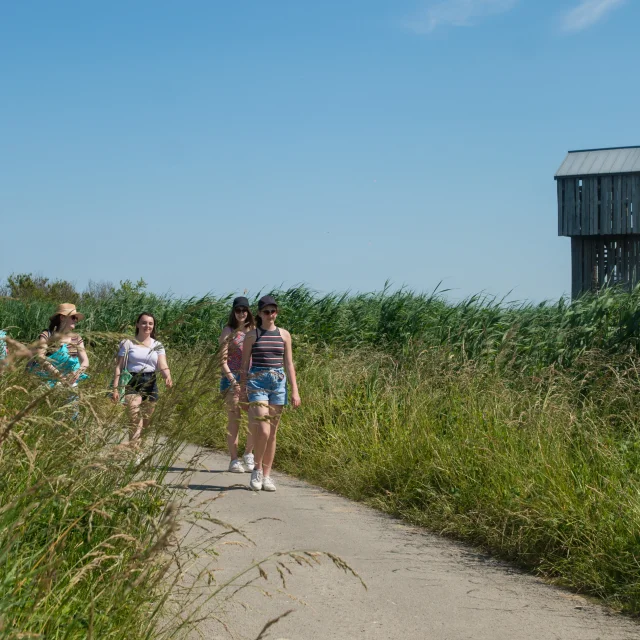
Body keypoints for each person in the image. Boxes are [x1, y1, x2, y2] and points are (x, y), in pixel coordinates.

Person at [241, 295, 301, 492]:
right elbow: (244, 366)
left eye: (273, 311)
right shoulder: (252, 336)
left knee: (273, 433)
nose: (270, 315)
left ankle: (267, 475)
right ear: (259, 313)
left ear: (277, 312)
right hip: (257, 382)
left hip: (278, 383)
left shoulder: (284, 335)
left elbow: (289, 363)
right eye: (266, 311)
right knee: (263, 430)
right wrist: (242, 389)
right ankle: (257, 469)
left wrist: (295, 390)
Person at [112, 312, 173, 443]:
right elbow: (119, 366)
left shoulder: (157, 345)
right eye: (144, 322)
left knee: (146, 421)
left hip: (151, 381)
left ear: (154, 326)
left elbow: (162, 364)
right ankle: (133, 449)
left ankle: (139, 448)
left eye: (150, 323)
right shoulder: (127, 343)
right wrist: (115, 388)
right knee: (134, 415)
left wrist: (167, 376)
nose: (147, 326)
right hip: (132, 380)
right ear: (137, 324)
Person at [219, 296, 255, 473]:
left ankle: (248, 453)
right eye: (238, 310)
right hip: (231, 379)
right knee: (234, 419)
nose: (241, 313)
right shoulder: (228, 331)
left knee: (255, 417)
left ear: (248, 312)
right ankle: (234, 459)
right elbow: (223, 360)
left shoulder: (253, 330)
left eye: (244, 310)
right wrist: (233, 382)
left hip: (250, 379)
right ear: (233, 312)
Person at [33, 303, 89, 388]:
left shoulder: (77, 338)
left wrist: (77, 373)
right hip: (47, 381)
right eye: (73, 317)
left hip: (70, 383)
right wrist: (59, 375)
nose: (75, 320)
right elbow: (40, 357)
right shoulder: (47, 335)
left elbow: (85, 361)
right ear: (62, 318)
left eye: (76, 318)